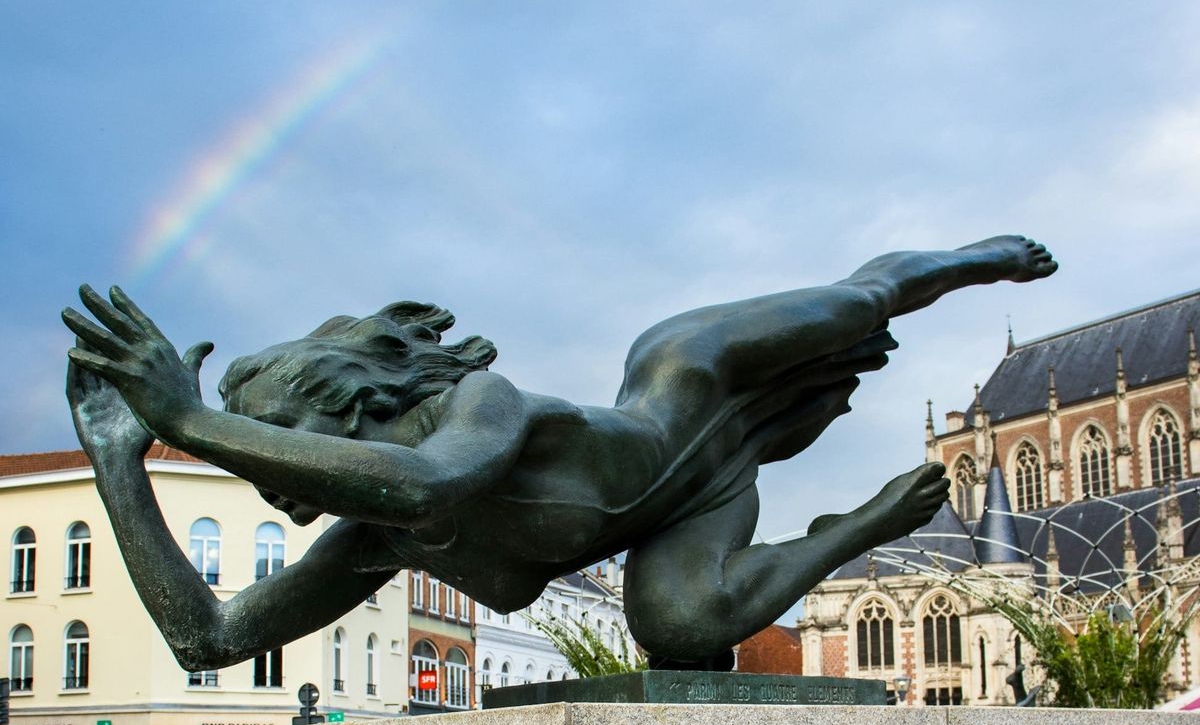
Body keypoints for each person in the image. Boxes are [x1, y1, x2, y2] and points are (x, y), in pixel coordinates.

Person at [63, 235, 1056, 670]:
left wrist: (189, 423)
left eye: (280, 455)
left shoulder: (475, 408)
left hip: (687, 380)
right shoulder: (384, 535)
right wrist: (120, 461)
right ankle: (855, 529)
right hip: (693, 512)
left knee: (855, 302)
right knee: (679, 622)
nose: (274, 485)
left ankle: (965, 259)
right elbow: (211, 640)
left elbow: (433, 480)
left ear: (353, 406)